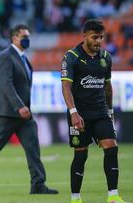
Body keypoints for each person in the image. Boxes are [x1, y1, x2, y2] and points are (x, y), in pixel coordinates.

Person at [0, 24, 59, 195]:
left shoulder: (23, 58)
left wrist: (24, 108)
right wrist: (19, 105)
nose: (27, 39)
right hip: (7, 113)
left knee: (33, 148)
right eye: (24, 36)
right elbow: (6, 84)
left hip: (23, 115)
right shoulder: (5, 57)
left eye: (28, 36)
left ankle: (38, 184)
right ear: (14, 38)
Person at [61, 19, 128, 203]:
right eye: (94, 37)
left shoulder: (106, 57)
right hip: (79, 114)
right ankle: (75, 198)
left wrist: (111, 111)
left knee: (111, 147)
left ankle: (113, 196)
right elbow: (66, 87)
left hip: (100, 112)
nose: (98, 41)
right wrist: (73, 112)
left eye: (101, 37)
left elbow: (107, 86)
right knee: (81, 154)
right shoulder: (71, 57)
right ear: (85, 36)